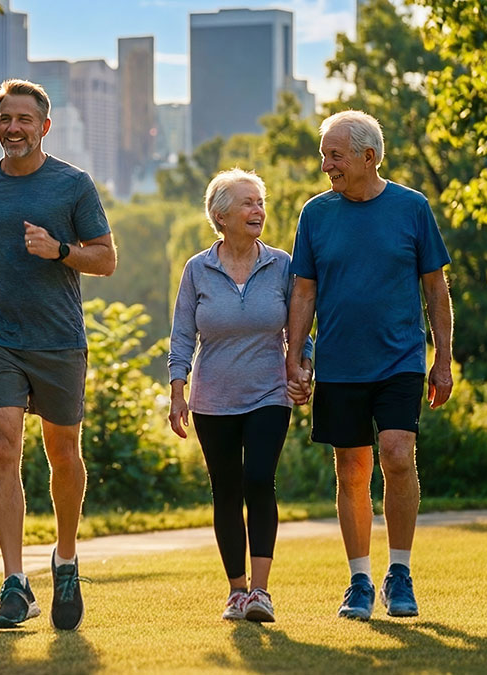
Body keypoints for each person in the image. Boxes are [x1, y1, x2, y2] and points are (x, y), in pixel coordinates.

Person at [0, 79, 116, 631]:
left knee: (63, 452)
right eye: (4, 119)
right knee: (3, 446)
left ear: (44, 126)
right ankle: (14, 583)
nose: (12, 128)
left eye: (23, 119)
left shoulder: (73, 185)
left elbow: (106, 259)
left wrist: (59, 249)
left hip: (59, 339)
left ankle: (65, 558)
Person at [285, 110, 454, 621]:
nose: (325, 166)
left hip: (400, 358)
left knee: (397, 454)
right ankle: (359, 579)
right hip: (339, 363)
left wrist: (442, 359)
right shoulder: (315, 214)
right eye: (324, 155)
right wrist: (294, 356)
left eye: (334, 155)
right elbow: (304, 292)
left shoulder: (412, 208)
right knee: (352, 468)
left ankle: (398, 572)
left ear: (368, 156)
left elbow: (435, 288)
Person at [167, 169, 313, 623]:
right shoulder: (198, 269)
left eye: (260, 202)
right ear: (220, 215)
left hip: (270, 391)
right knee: (226, 490)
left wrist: (303, 364)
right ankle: (236, 591)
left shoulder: (282, 264)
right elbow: (181, 335)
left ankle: (262, 592)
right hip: (213, 399)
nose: (258, 211)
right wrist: (177, 390)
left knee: (258, 481)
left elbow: (301, 325)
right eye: (248, 203)